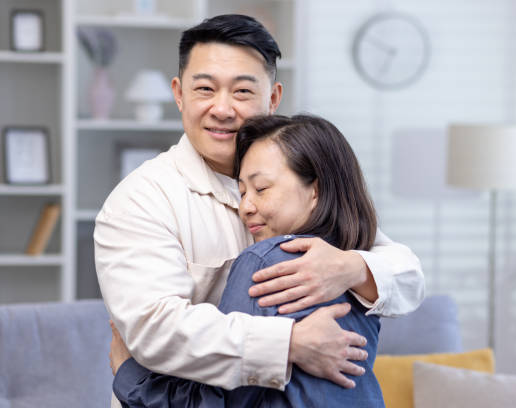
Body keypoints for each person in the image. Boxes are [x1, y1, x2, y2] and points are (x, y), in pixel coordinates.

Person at [94, 14, 424, 405]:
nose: (222, 108)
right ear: (179, 94)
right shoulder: (141, 199)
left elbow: (407, 277)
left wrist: (349, 267)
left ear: (273, 98)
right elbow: (157, 331)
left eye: (242, 92)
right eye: (205, 89)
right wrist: (290, 344)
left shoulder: (298, 177)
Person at [110, 114, 385, 407]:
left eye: (261, 189)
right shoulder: (364, 269)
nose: (245, 208)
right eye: (242, 192)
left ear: (315, 190)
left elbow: (219, 403)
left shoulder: (266, 262)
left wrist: (130, 377)